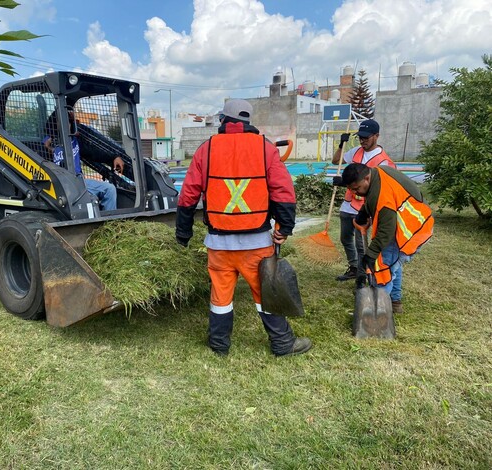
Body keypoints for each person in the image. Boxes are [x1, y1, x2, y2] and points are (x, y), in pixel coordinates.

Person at [175, 99, 312, 357]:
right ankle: (282, 344)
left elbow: (188, 195)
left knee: (221, 297)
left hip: (218, 245)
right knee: (264, 293)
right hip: (257, 244)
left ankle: (219, 345)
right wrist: (285, 227)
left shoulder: (206, 149)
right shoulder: (266, 149)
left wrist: (183, 233)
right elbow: (283, 191)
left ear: (223, 120)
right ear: (248, 121)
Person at [341, 163, 434, 312]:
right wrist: (364, 211)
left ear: (366, 178)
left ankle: (378, 313)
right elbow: (372, 196)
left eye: (357, 188)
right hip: (413, 223)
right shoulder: (378, 172)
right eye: (351, 189)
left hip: (407, 231)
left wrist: (371, 254)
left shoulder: (383, 197)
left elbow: (386, 231)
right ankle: (395, 302)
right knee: (393, 265)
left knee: (383, 269)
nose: (354, 192)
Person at [332, 119, 396, 287]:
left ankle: (362, 278)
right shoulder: (355, 151)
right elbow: (335, 161)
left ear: (376, 136)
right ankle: (354, 267)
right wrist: (341, 144)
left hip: (365, 208)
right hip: (348, 204)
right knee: (345, 238)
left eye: (366, 137)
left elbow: (383, 189)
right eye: (360, 137)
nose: (362, 140)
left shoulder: (383, 161)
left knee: (362, 246)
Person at [43, 110, 124, 211]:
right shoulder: (50, 141)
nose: (65, 125)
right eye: (61, 122)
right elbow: (45, 148)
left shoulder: (75, 140)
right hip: (61, 183)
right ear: (55, 124)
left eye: (67, 122)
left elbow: (95, 152)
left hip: (78, 180)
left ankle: (110, 221)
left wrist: (114, 156)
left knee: (110, 189)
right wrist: (49, 146)